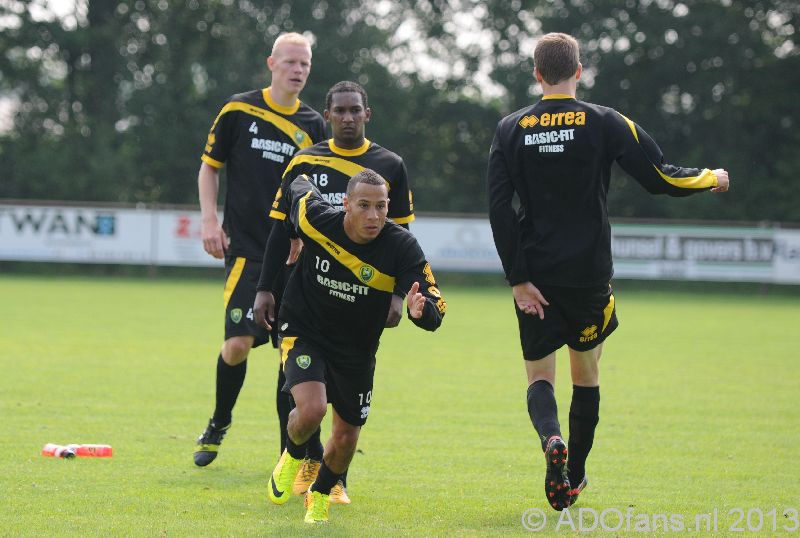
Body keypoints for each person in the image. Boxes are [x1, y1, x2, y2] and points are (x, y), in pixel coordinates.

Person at [487, 32, 729, 511]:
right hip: (589, 275)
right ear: (579, 71)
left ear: (537, 75)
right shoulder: (604, 121)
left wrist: (517, 278)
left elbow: (498, 208)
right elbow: (660, 179)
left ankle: (550, 438)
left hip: (535, 275)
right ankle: (573, 474)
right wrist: (710, 178)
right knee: (587, 374)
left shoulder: (510, 128)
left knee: (539, 375)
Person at [255, 80, 415, 503]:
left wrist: (398, 296)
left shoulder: (389, 165)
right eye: (339, 110)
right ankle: (301, 460)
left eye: (354, 110)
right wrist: (265, 287)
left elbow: (401, 239)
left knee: (345, 395)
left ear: (367, 113)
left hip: (360, 301)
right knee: (300, 387)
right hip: (306, 291)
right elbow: (279, 227)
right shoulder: (305, 160)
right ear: (326, 115)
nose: (347, 117)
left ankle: (333, 478)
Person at [256, 171, 446, 524]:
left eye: (381, 207)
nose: (373, 216)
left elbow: (434, 300)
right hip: (303, 328)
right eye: (364, 206)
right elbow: (295, 181)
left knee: (346, 438)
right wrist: (290, 234)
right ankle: (293, 454)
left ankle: (321, 493)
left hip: (356, 349)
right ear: (345, 204)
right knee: (311, 410)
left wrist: (423, 313)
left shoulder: (401, 246)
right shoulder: (315, 218)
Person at [193, 32, 326, 467]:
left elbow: (322, 189)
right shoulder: (238, 109)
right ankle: (219, 422)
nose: (297, 70)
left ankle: (287, 454)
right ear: (271, 63)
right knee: (237, 344)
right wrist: (210, 220)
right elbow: (209, 168)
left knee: (288, 358)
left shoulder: (313, 125)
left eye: (304, 63)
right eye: (290, 62)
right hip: (248, 250)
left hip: (294, 256)